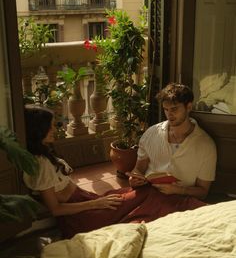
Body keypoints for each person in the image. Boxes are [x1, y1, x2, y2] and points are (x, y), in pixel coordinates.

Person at [23, 89, 211, 239]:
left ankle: (191, 209)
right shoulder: (40, 164)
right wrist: (97, 203)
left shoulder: (204, 144)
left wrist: (135, 179)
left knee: (140, 195)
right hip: (79, 215)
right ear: (37, 131)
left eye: (174, 109)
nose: (55, 129)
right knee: (149, 196)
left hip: (84, 200)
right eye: (50, 126)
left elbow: (139, 170)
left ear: (189, 107)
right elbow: (56, 209)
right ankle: (199, 211)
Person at [127, 82, 217, 199]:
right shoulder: (151, 133)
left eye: (174, 109)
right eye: (166, 109)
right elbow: (139, 169)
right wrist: (134, 179)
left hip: (181, 202)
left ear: (189, 107)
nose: (170, 114)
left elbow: (203, 192)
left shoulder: (206, 146)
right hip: (148, 194)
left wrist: (179, 190)